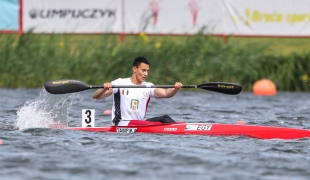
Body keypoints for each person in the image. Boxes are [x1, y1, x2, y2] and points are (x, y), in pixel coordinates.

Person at [93, 56, 183, 126]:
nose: (146, 74)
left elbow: (166, 93)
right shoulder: (120, 83)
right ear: (134, 69)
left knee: (165, 118)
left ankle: (183, 127)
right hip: (121, 123)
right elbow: (96, 97)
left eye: (147, 71)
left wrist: (175, 89)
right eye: (143, 70)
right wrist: (103, 89)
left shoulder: (148, 86)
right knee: (149, 124)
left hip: (139, 123)